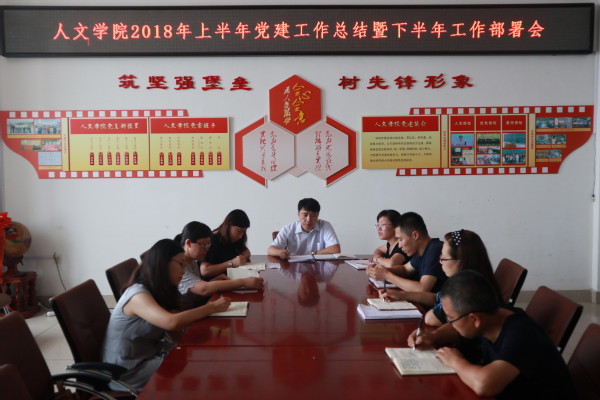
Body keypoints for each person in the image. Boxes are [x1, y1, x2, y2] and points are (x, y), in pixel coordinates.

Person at [102, 238, 231, 391]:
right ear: (163, 263)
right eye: (180, 264)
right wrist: (211, 308)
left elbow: (175, 331)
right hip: (128, 371)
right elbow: (171, 322)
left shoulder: (161, 290)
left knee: (206, 361)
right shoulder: (137, 295)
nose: (183, 271)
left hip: (152, 356)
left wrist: (192, 348)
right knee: (200, 373)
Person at [424, 270, 575, 399]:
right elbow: (459, 329)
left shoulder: (522, 334)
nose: (449, 323)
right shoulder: (492, 313)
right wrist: (434, 336)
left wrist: (455, 361)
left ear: (475, 319)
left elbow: (484, 385)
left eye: (450, 318)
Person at [380, 229, 499, 326]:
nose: (440, 261)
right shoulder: (467, 280)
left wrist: (388, 275)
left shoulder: (468, 290)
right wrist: (403, 295)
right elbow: (435, 297)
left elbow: (431, 319)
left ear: (461, 262)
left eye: (444, 258)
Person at [176, 221, 263, 310]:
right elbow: (203, 289)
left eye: (208, 245)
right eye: (204, 245)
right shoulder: (178, 265)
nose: (207, 249)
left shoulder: (192, 262)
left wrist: (214, 281)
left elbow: (197, 293)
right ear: (188, 243)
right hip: (184, 313)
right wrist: (243, 282)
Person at [367, 211, 445, 293]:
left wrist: (387, 275)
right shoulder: (422, 250)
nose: (399, 246)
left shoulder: (435, 249)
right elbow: (405, 269)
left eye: (401, 239)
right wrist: (380, 270)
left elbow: (422, 288)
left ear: (415, 235)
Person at [268, 198, 340, 259]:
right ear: (298, 214)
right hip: (294, 267)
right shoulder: (288, 229)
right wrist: (280, 252)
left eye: (313, 215)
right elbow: (270, 250)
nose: (308, 219)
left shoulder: (325, 226)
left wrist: (313, 253)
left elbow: (335, 249)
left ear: (318, 215)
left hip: (318, 267)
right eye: (305, 215)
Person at [200, 209, 252, 279]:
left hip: (229, 277)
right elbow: (205, 271)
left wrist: (243, 258)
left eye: (244, 232)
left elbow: (246, 252)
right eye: (239, 231)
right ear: (229, 225)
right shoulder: (212, 240)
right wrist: (232, 263)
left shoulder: (234, 239)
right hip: (214, 281)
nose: (241, 236)